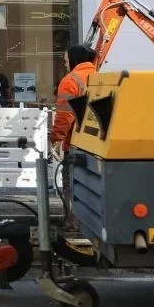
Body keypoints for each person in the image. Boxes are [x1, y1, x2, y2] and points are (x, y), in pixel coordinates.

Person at [49, 44, 98, 231]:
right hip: (98, 144)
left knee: (72, 185)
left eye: (67, 60)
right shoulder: (100, 76)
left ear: (75, 59)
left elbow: (64, 115)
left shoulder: (71, 80)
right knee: (92, 185)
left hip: (76, 143)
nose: (66, 64)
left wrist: (55, 137)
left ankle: (73, 223)